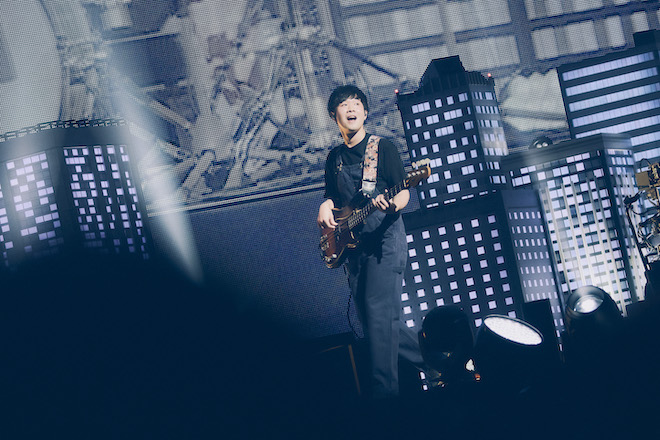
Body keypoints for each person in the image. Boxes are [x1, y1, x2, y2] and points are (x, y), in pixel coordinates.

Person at [317, 85, 428, 398]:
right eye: (344, 105)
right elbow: (333, 197)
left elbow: (402, 190)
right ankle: (439, 362)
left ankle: (385, 398)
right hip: (355, 251)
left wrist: (392, 205)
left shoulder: (382, 147)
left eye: (356, 104)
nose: (351, 108)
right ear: (334, 116)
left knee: (379, 317)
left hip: (385, 244)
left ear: (365, 112)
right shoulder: (334, 158)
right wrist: (325, 206)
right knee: (375, 323)